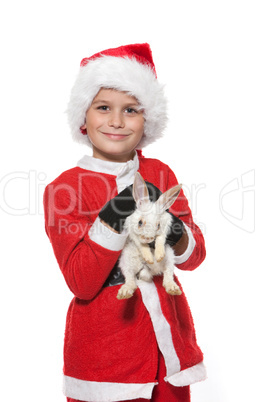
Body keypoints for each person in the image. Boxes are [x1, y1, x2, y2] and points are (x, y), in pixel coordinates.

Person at [43, 43, 206, 402]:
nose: (116, 121)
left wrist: (168, 224)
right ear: (83, 119)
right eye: (103, 108)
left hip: (168, 349)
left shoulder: (160, 173)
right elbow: (82, 283)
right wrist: (116, 211)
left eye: (130, 110)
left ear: (147, 119)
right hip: (106, 354)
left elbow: (194, 257)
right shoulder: (64, 189)